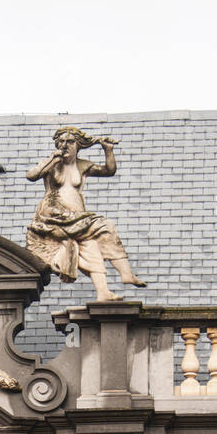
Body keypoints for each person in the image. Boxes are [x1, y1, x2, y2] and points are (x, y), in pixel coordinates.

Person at [26, 126, 145, 302]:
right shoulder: (51, 164)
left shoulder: (83, 166)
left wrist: (108, 150)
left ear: (78, 145)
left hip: (77, 217)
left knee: (91, 247)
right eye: (61, 142)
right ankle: (126, 273)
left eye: (70, 142)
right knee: (105, 225)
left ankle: (104, 291)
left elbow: (109, 170)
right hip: (54, 215)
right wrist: (52, 160)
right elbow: (32, 175)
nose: (65, 145)